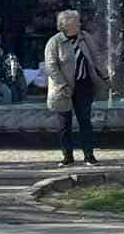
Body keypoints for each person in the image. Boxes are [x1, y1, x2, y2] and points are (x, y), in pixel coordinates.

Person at [44, 10, 107, 167]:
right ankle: (67, 157)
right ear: (66, 24)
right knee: (64, 124)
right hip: (62, 88)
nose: (79, 23)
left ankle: (89, 156)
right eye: (76, 21)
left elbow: (96, 57)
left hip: (83, 85)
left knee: (85, 121)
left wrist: (105, 76)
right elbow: (51, 67)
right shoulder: (54, 42)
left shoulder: (85, 37)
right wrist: (62, 84)